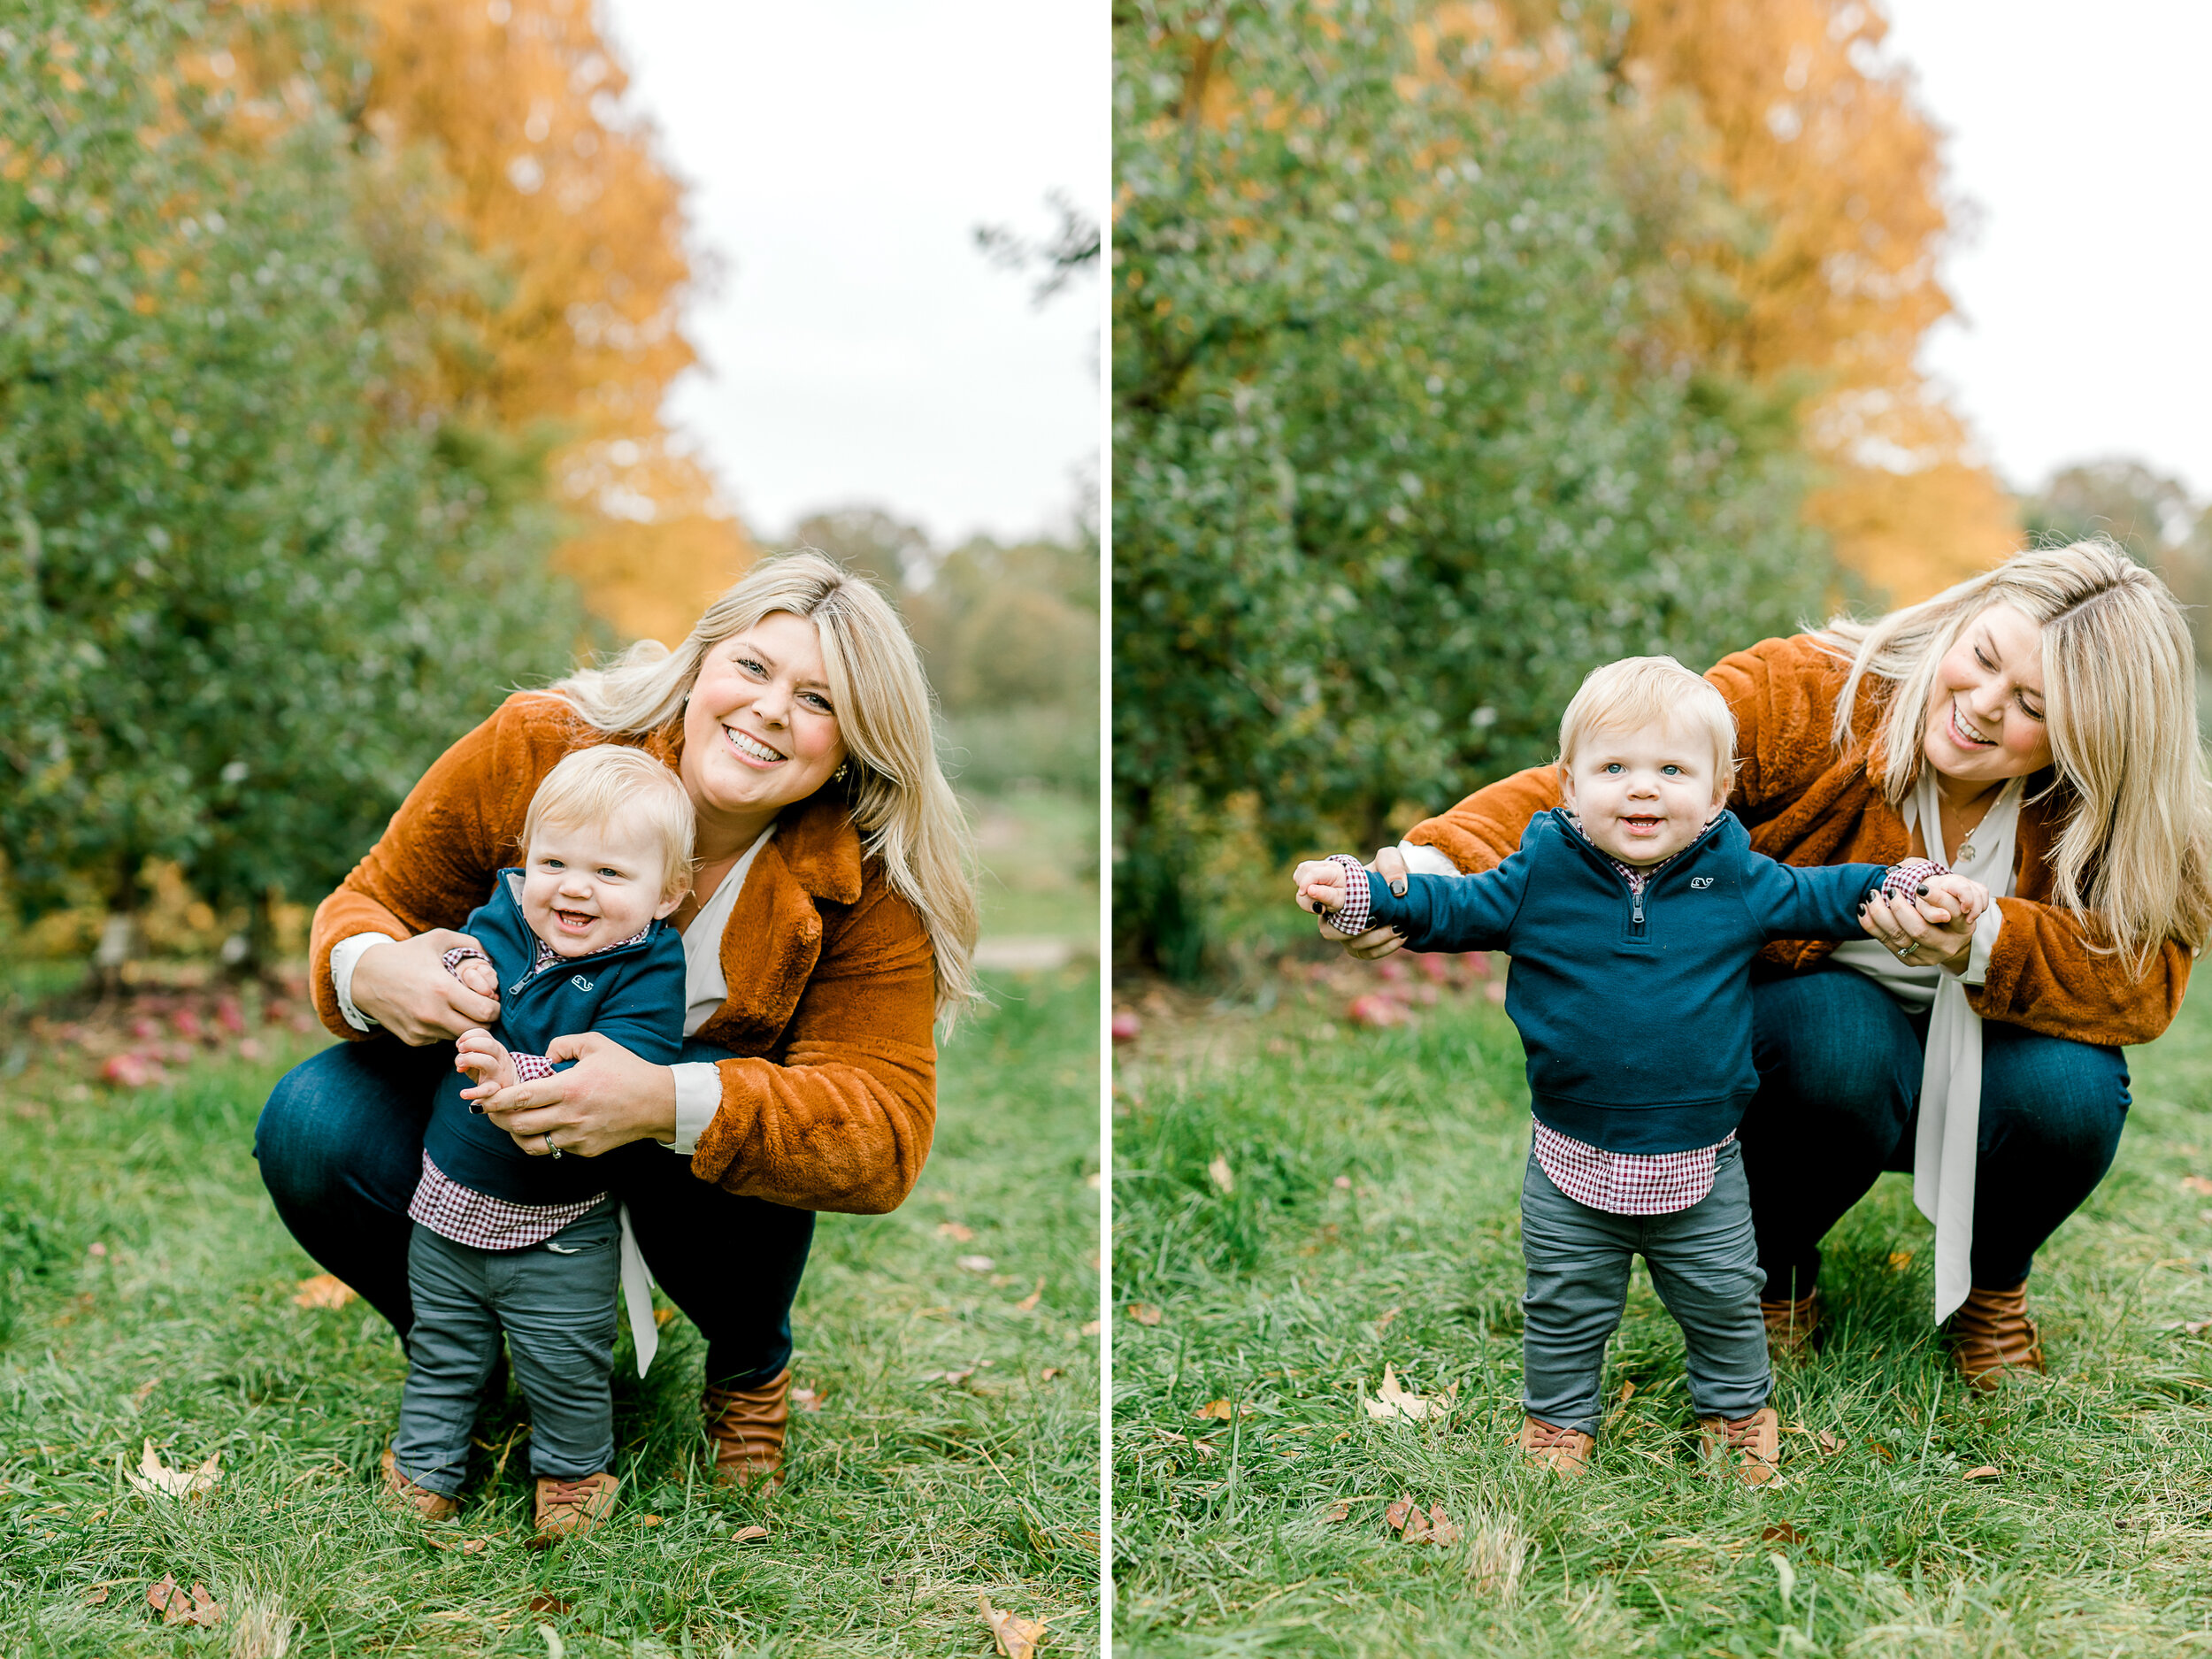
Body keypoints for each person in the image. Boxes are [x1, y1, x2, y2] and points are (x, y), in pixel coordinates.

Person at [1325, 542, 2212, 1392]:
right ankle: (1773, 1274)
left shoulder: (2098, 810)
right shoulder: (1818, 692)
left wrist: (1984, 945)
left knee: (2076, 1089)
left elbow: (2141, 974)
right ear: (1963, 621)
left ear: (2090, 737)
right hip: (1803, 1059)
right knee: (1839, 1032)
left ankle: (1994, 1291)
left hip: (1985, 1069)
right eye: (1980, 658)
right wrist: (1435, 866)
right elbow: (1614, 770)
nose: (1981, 704)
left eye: (2031, 706)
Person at [256, 550, 979, 1491]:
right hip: (488, 1119)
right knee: (311, 1120)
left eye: (818, 700)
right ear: (702, 664)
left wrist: (663, 1099)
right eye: (754, 669)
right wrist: (373, 968)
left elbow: (882, 1128)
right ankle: (461, 1347)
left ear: (853, 743)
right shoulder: (541, 747)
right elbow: (369, 901)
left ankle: (749, 1368)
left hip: (685, 1178)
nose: (769, 709)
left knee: (729, 1088)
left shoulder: (863, 878)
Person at [1296, 657, 1979, 1479]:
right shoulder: (1540, 874)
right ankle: (1557, 1423)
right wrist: (1361, 892)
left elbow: (1830, 892)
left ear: (1718, 790)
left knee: (1725, 1298)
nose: (1642, 789)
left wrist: (1911, 883)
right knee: (1564, 1305)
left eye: (1671, 769)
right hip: (1568, 1162)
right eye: (1614, 767)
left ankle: (1735, 1414)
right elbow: (1450, 905)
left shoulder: (1737, 879)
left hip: (1704, 1163)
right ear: (1570, 785)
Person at [380, 745, 692, 1539]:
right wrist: (457, 969)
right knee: (443, 1349)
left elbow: (620, 1066)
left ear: (670, 891)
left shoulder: (648, 966)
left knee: (564, 1363)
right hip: (446, 1199)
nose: (573, 887)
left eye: (611, 874)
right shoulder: (511, 912)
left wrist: (505, 1062)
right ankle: (427, 1464)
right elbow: (461, 947)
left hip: (558, 1222)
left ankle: (572, 1472)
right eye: (554, 860)